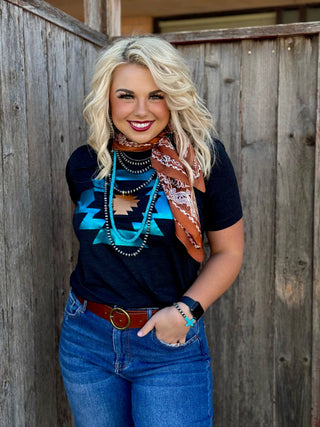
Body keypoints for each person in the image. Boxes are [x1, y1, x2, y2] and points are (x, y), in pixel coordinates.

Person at [59, 35, 244, 427]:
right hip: (86, 339)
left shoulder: (203, 162)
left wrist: (185, 312)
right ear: (107, 99)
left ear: (173, 97)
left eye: (156, 95)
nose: (141, 110)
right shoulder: (85, 163)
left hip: (168, 343)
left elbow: (229, 252)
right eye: (126, 95)